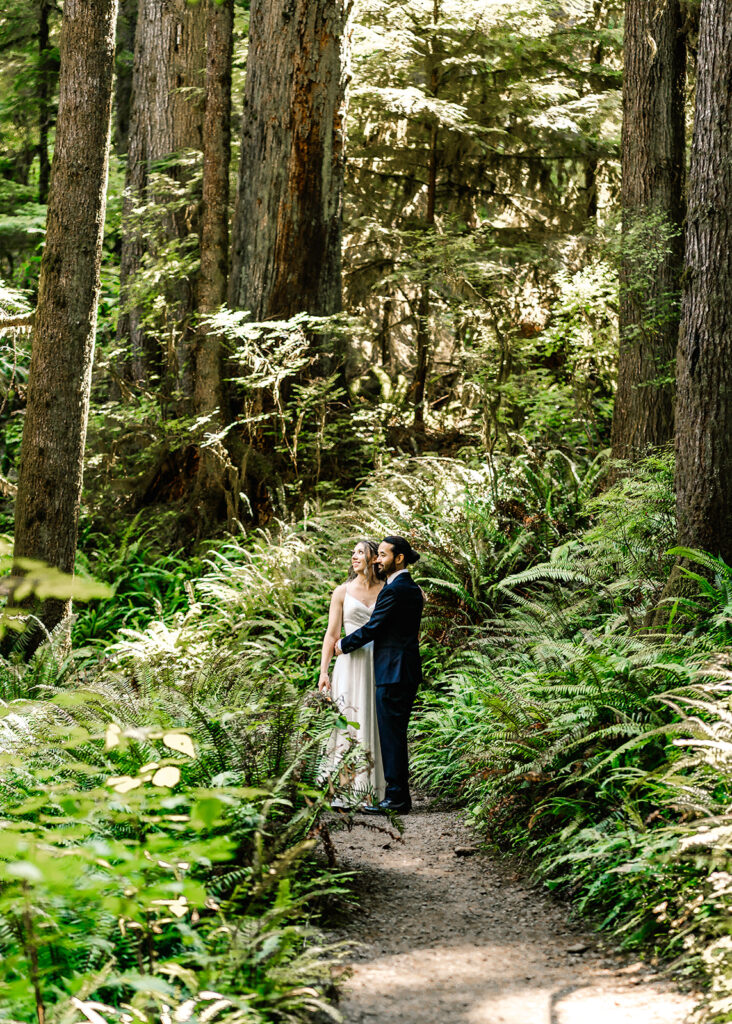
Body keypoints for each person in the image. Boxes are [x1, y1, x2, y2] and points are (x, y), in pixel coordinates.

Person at [335, 535, 423, 814]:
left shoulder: (394, 590)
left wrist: (343, 644)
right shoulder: (413, 589)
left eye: (382, 555)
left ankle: (397, 799)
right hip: (405, 669)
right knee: (396, 734)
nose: (377, 560)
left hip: (392, 671)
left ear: (399, 558)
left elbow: (374, 627)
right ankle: (399, 795)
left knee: (392, 736)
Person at [319, 540, 386, 805]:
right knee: (346, 721)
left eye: (360, 552)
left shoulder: (387, 590)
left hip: (377, 662)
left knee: (374, 721)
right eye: (353, 552)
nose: (354, 556)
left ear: (373, 559)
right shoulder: (342, 592)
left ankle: (374, 787)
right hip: (348, 663)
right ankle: (345, 788)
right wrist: (324, 672)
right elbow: (332, 634)